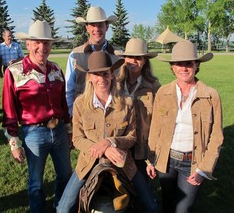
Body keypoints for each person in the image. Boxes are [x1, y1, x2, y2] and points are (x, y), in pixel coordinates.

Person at [56, 51, 159, 213]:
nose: (101, 79)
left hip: (123, 162)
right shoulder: (80, 104)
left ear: (112, 75)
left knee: (151, 206)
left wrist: (110, 142)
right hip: (88, 162)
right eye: (96, 74)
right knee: (63, 208)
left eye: (105, 74)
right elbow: (77, 138)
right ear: (89, 77)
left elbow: (131, 137)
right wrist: (104, 148)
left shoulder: (126, 103)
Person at [2, 20, 72, 213]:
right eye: (37, 43)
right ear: (28, 44)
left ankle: (61, 207)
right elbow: (9, 110)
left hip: (59, 131)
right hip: (33, 133)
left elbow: (63, 105)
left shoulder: (57, 69)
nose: (42, 48)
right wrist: (14, 143)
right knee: (36, 182)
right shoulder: (14, 72)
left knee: (66, 175)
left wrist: (69, 129)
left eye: (46, 43)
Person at [146, 40, 224, 213]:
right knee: (167, 201)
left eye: (188, 63)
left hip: (192, 162)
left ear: (197, 65)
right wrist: (151, 159)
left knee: (184, 208)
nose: (184, 68)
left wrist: (204, 169)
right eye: (179, 64)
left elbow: (216, 136)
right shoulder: (163, 92)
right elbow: (155, 128)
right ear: (172, 67)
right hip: (166, 160)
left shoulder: (211, 96)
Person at [116, 38, 161, 180]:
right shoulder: (115, 84)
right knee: (120, 185)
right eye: (130, 57)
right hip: (121, 142)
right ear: (124, 59)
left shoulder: (154, 87)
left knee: (141, 184)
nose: (134, 61)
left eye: (138, 57)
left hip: (142, 146)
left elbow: (159, 120)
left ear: (145, 60)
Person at [65, 6, 119, 117]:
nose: (97, 29)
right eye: (93, 25)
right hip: (83, 115)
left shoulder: (118, 55)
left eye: (100, 25)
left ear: (107, 27)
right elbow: (68, 89)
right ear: (87, 28)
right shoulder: (75, 55)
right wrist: (71, 116)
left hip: (113, 115)